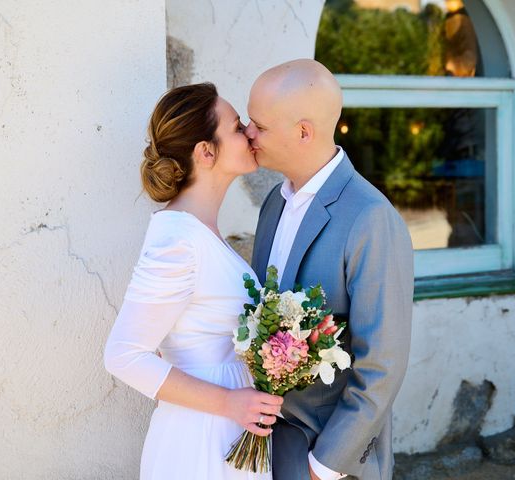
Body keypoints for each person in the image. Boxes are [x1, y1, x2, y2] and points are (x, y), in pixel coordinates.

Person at [104, 82, 282, 479]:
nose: (250, 132)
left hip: (229, 435)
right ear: (206, 151)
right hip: (200, 443)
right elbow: (123, 355)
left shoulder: (200, 233)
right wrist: (229, 404)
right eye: (237, 127)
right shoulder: (179, 241)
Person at [246, 59, 414, 480]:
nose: (248, 134)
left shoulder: (370, 217)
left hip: (325, 458)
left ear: (304, 131)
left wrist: (324, 466)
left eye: (259, 125)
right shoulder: (274, 203)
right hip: (266, 448)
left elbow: (382, 364)